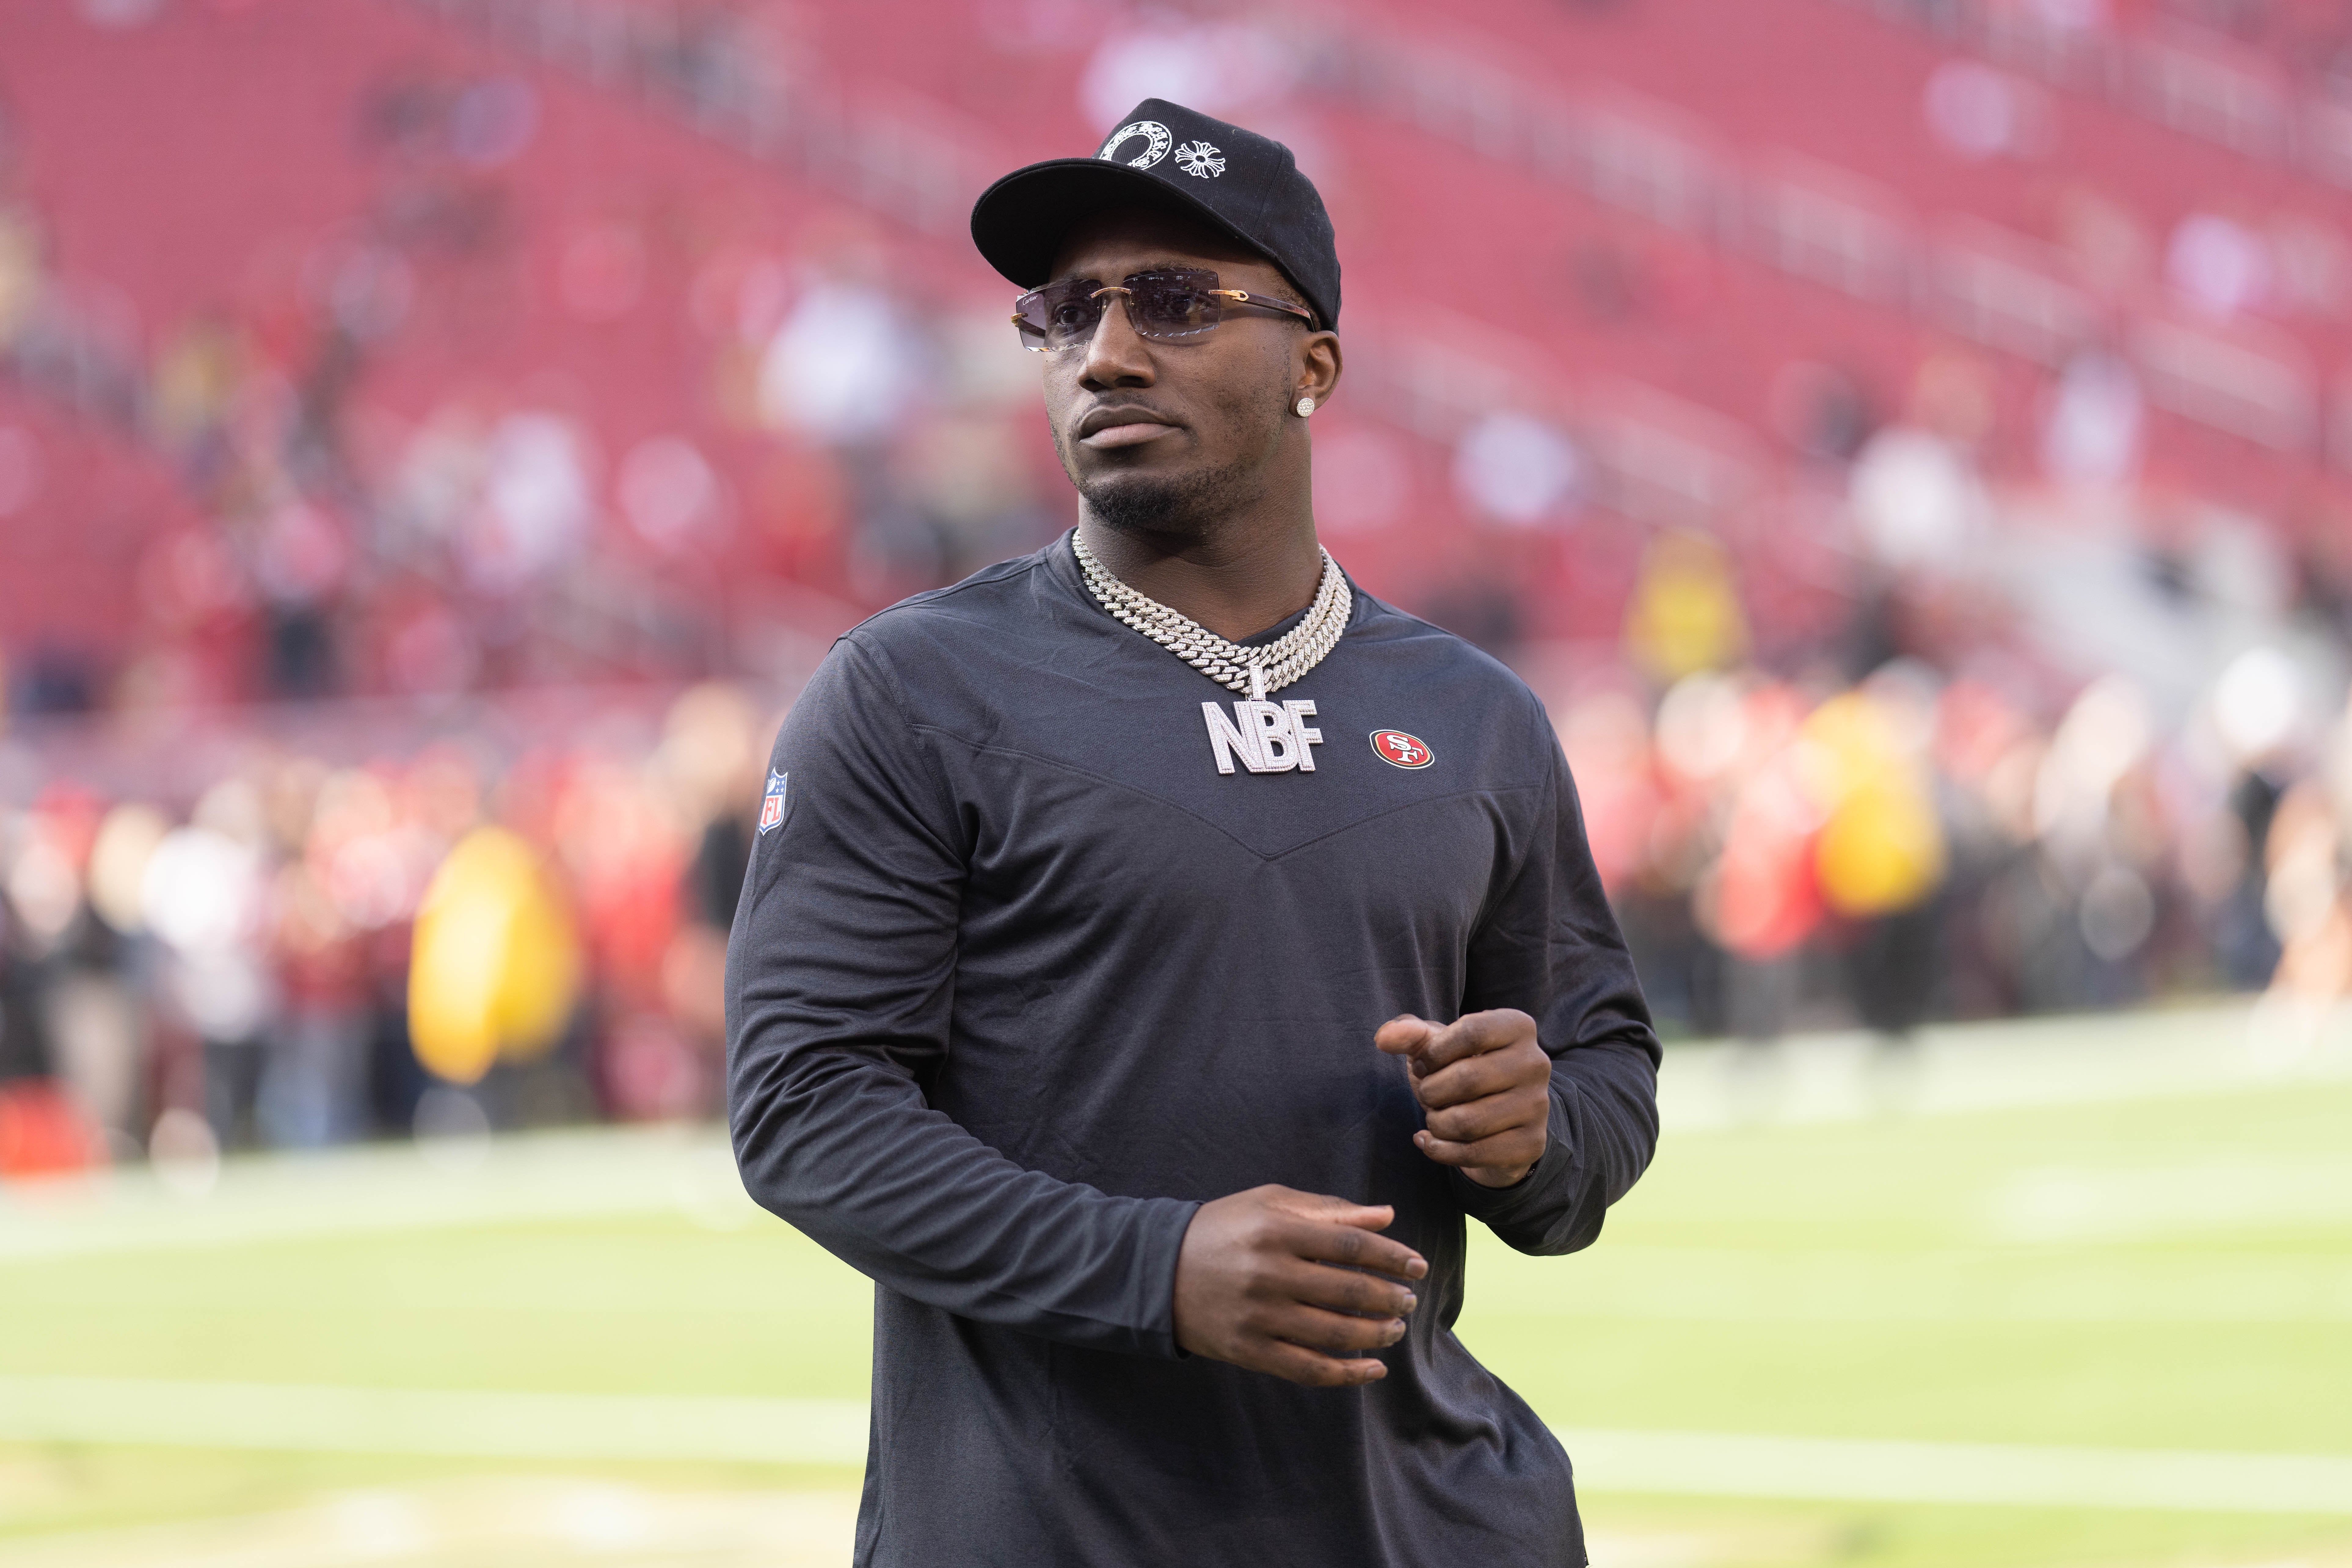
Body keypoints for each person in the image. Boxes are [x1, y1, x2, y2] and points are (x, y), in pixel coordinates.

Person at [727, 98, 1661, 1566]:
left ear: (1314, 365)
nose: (1106, 352)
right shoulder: (910, 692)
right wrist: (1151, 1267)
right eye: (1066, 310)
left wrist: (1539, 1132)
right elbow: (804, 1110)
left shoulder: (1473, 714)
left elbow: (1607, 1069)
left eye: (1173, 302)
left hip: (1430, 1525)